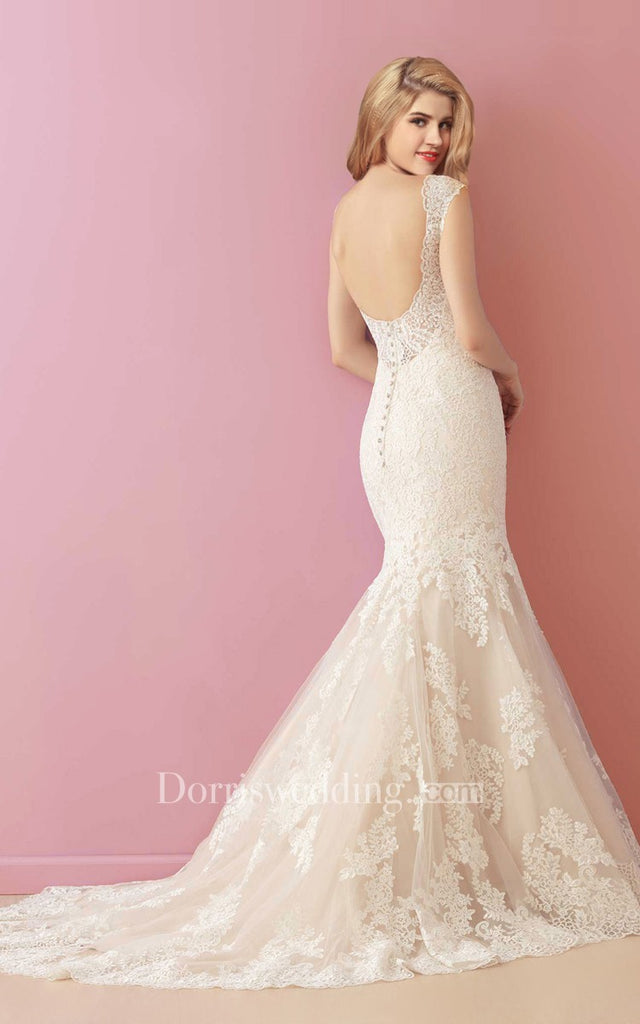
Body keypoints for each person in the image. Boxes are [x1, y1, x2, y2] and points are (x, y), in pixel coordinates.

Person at [1, 55, 639, 992]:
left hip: (390, 424)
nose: (435, 140)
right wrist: (508, 378)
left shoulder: (346, 214)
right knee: (454, 602)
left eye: (446, 124)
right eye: (419, 120)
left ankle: (407, 851)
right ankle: (431, 855)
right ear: (382, 117)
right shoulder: (443, 202)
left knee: (424, 606)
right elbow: (469, 331)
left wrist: (409, 385)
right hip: (448, 413)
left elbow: (346, 347)